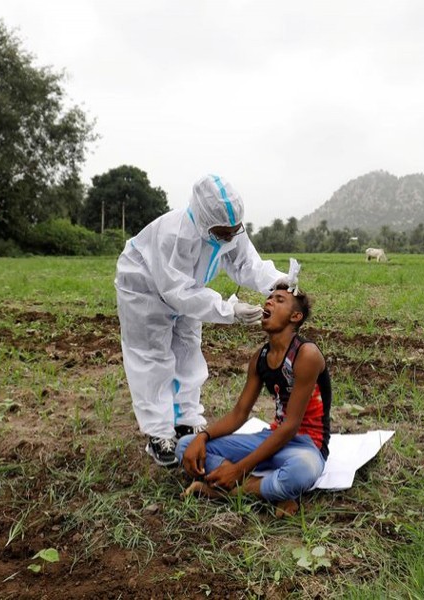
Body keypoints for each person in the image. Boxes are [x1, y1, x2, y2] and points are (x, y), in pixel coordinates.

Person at [115, 174, 298, 466]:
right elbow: (179, 292)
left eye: (233, 231)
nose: (229, 237)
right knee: (152, 357)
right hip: (144, 286)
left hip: (189, 288)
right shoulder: (174, 235)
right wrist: (229, 310)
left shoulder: (230, 229)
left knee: (188, 348)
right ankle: (159, 433)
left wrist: (276, 281)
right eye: (222, 232)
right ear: (203, 222)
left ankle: (187, 421)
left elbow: (246, 263)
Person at [176, 284, 330, 516]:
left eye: (279, 300)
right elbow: (239, 413)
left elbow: (290, 427)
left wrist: (239, 469)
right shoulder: (261, 357)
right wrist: (203, 436)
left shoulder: (306, 354)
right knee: (186, 447)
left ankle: (225, 489)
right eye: (269, 298)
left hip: (304, 445)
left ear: (295, 316)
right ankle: (269, 490)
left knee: (302, 470)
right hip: (271, 438)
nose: (269, 302)